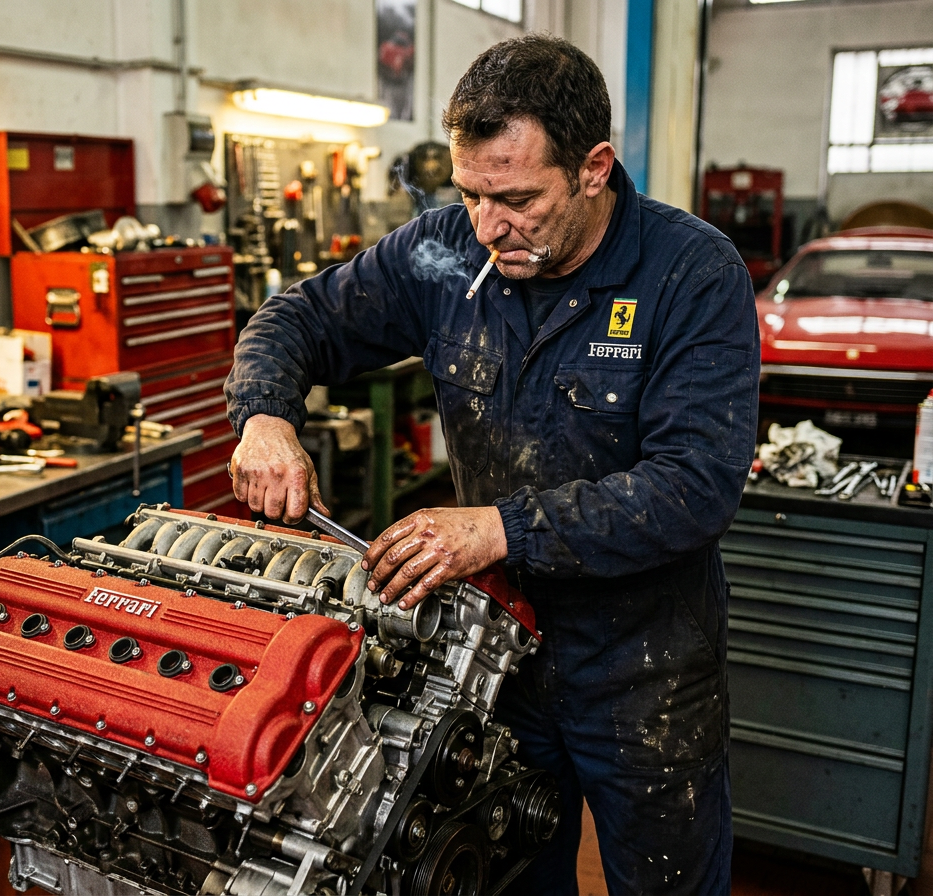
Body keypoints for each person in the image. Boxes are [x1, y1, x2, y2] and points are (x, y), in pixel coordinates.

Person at [224, 33, 758, 895]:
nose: (487, 227)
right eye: (470, 194)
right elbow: (296, 319)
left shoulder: (691, 275)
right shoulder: (445, 256)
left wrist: (498, 529)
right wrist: (265, 420)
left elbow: (694, 486)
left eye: (515, 199)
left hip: (646, 672)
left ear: (594, 169)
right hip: (494, 663)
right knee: (500, 879)